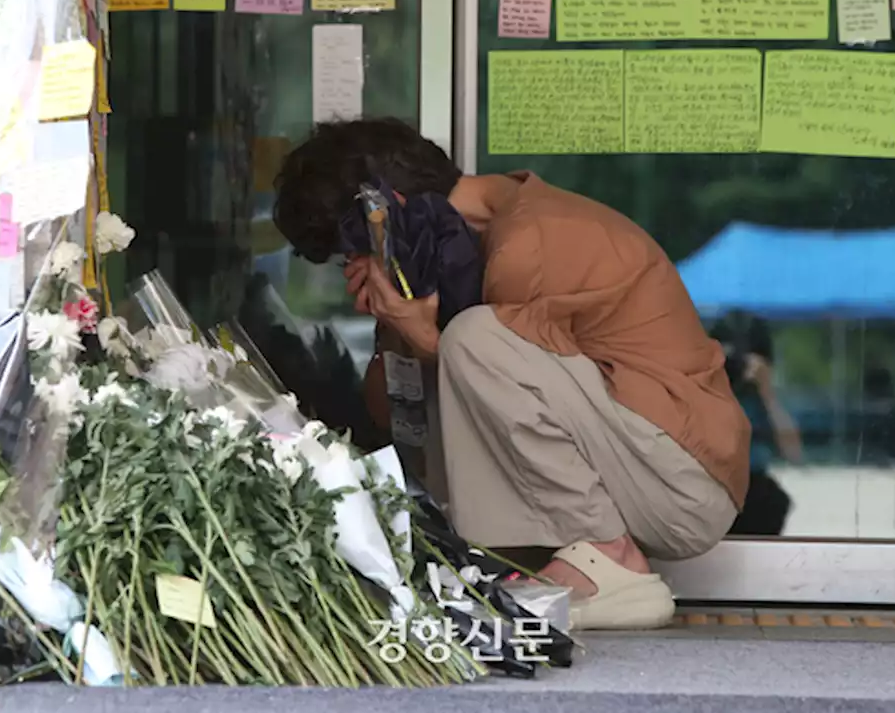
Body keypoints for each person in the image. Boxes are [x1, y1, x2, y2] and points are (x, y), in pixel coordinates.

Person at [273, 119, 750, 630]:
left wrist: (425, 335)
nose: (357, 270)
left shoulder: (532, 243)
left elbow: (480, 370)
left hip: (684, 484)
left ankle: (610, 562)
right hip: (637, 464)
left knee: (473, 340)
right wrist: (397, 321)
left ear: (389, 214)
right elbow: (399, 417)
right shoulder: (465, 248)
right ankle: (570, 557)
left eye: (358, 252)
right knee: (466, 348)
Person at [710, 312, 803, 537]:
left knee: (771, 501)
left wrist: (766, 390)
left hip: (754, 489)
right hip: (715, 486)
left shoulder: (765, 402)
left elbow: (794, 452)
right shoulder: (707, 396)